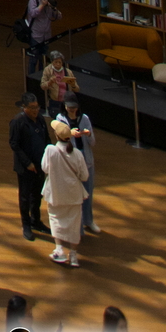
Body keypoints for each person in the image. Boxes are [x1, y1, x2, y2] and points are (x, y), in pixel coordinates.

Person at [41, 117, 89, 267]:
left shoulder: (50, 150)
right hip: (74, 194)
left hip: (56, 193)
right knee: (74, 224)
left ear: (57, 135)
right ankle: (73, 255)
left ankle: (59, 250)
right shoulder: (77, 154)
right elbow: (84, 176)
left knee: (56, 220)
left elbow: (45, 168)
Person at [9, 93, 51, 241]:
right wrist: (27, 163)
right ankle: (26, 224)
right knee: (25, 196)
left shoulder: (40, 119)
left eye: (37, 107)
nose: (36, 110)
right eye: (32, 108)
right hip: (26, 167)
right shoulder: (17, 122)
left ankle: (36, 220)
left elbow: (46, 139)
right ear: (24, 107)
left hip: (40, 165)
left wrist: (49, 156)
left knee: (37, 194)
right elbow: (14, 144)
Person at [62, 93, 100, 235]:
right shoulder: (60, 119)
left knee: (88, 191)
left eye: (74, 107)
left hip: (86, 159)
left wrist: (88, 134)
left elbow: (93, 142)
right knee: (72, 193)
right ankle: (74, 224)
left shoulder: (84, 119)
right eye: (69, 107)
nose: (72, 110)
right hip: (70, 160)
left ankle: (88, 220)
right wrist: (69, 133)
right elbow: (60, 139)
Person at [26, 0, 62, 77]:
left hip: (46, 37)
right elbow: (32, 14)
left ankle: (42, 78)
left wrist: (53, 8)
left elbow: (59, 16)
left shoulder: (49, 6)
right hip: (35, 36)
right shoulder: (34, 1)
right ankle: (31, 77)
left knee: (43, 60)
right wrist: (42, 5)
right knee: (33, 59)